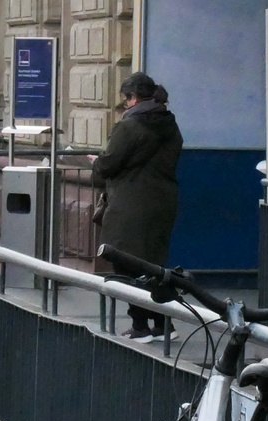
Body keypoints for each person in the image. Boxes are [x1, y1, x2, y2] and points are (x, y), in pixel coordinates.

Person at [94, 72, 183, 343]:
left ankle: (140, 326)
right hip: (162, 201)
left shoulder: (130, 127)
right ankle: (163, 323)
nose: (125, 105)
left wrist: (96, 164)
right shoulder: (170, 125)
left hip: (130, 204)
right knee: (155, 265)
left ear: (133, 98)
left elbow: (108, 166)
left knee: (126, 263)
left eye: (126, 99)